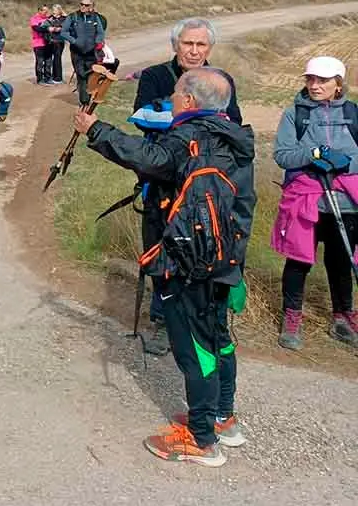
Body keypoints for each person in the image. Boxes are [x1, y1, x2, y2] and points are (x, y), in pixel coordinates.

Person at [75, 68, 255, 468]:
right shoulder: (231, 139)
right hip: (223, 258)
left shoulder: (187, 137)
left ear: (190, 101)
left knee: (196, 351)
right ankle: (222, 418)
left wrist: (95, 130)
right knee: (218, 339)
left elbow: (149, 158)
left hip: (189, 261)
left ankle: (202, 438)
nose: (172, 99)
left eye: (175, 94)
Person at [132, 19, 245, 354]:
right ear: (175, 45)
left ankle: (204, 321)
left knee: (201, 251)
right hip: (163, 181)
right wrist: (200, 120)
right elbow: (141, 117)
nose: (194, 51)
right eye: (188, 43)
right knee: (160, 249)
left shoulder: (221, 80)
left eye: (201, 45)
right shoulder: (154, 76)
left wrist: (173, 114)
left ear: (209, 49)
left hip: (206, 185)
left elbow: (234, 123)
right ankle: (162, 320)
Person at [272, 56, 358, 349]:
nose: (315, 85)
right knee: (298, 262)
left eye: (322, 80)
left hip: (346, 203)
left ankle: (343, 318)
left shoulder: (353, 113)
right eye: (310, 79)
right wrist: (313, 155)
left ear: (338, 84)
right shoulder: (294, 114)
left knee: (340, 262)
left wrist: (344, 163)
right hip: (305, 199)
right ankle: (292, 318)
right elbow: (283, 155)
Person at [61, 0, 106, 105]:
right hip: (77, 52)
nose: (83, 7)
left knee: (91, 75)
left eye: (86, 5)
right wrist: (74, 41)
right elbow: (63, 32)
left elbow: (101, 32)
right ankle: (84, 101)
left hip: (91, 52)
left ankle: (89, 96)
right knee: (81, 75)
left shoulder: (96, 18)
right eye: (81, 4)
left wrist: (98, 42)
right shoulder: (73, 17)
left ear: (92, 6)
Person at [29, 4, 52, 85]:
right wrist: (47, 29)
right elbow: (36, 28)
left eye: (47, 11)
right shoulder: (34, 19)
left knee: (48, 61)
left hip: (48, 42)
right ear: (39, 11)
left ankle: (48, 78)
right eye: (44, 11)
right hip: (38, 43)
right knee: (40, 61)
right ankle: (40, 79)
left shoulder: (49, 19)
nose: (46, 12)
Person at [45, 4, 67, 85]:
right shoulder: (50, 17)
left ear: (59, 10)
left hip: (59, 41)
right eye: (53, 9)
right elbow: (45, 25)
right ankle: (49, 77)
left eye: (55, 9)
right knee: (49, 59)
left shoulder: (64, 18)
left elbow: (62, 28)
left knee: (57, 58)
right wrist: (48, 28)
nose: (53, 11)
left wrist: (54, 28)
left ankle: (58, 78)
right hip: (50, 40)